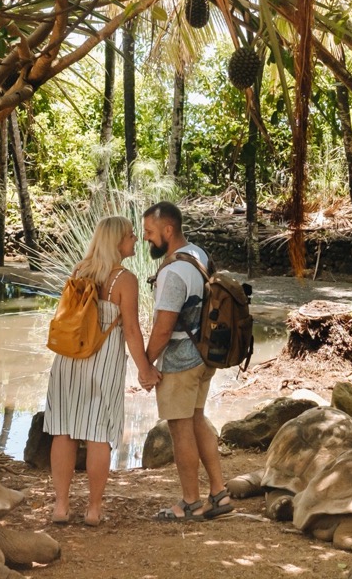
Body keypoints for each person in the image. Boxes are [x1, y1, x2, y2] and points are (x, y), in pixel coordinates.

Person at [43, 215, 160, 526]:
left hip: (69, 357)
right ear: (117, 241)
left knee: (64, 430)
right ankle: (93, 510)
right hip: (102, 359)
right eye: (131, 235)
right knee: (97, 434)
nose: (136, 239)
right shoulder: (125, 280)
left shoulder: (80, 270)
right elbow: (132, 332)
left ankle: (61, 506)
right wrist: (145, 369)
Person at [142, 201, 233, 521]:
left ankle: (191, 502)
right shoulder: (198, 255)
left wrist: (144, 364)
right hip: (206, 355)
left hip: (181, 362)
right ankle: (220, 493)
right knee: (197, 419)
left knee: (181, 431)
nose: (145, 239)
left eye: (150, 233)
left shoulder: (171, 273)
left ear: (168, 230)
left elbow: (163, 328)